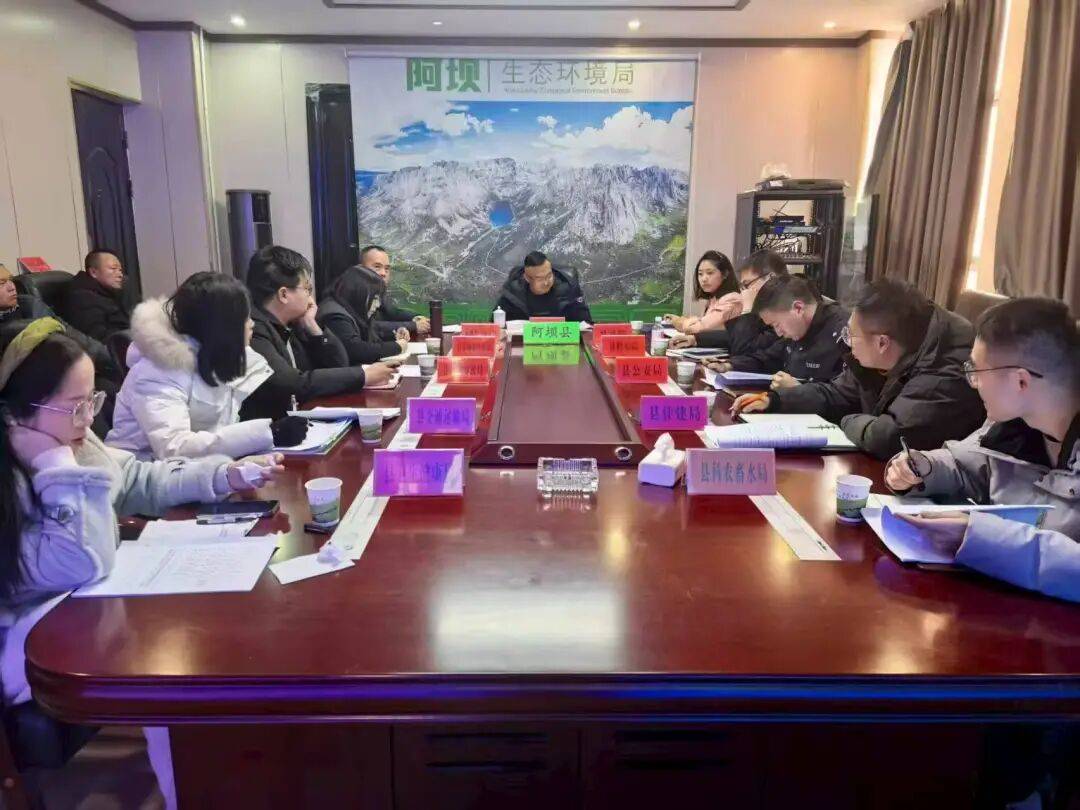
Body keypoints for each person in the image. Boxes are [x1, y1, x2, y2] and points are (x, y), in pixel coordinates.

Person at [0, 318, 283, 707]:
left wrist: (223, 475)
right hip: (38, 653)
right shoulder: (34, 465)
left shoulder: (65, 433)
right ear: (13, 412)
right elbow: (81, 561)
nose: (88, 419)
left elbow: (133, 479)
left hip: (95, 617)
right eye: (75, 407)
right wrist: (56, 467)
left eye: (92, 401)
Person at [882, 298, 1079, 602]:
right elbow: (967, 463)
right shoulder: (1014, 424)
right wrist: (923, 468)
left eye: (976, 370)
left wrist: (978, 538)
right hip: (1003, 602)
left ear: (1021, 381)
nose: (972, 383)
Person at [732, 278, 986, 459]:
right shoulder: (897, 341)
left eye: (851, 335)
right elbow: (838, 392)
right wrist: (776, 400)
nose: (847, 342)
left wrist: (846, 420)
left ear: (882, 343)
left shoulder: (945, 365)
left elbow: (887, 437)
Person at [106, 272, 309, 460]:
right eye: (244, 318)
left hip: (202, 473)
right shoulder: (156, 372)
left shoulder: (216, 355)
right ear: (220, 325)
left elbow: (220, 430)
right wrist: (266, 434)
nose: (251, 324)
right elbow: (174, 448)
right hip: (142, 476)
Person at [241, 245, 393, 421]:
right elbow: (293, 384)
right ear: (283, 295)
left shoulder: (295, 323)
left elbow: (339, 363)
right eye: (307, 289)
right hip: (274, 430)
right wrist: (363, 376)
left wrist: (312, 325)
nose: (310, 297)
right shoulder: (253, 330)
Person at [716, 274, 849, 390]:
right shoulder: (795, 330)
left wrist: (799, 390)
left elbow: (845, 395)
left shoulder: (844, 331)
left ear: (798, 308)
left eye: (776, 324)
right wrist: (729, 365)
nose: (778, 333)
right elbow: (767, 358)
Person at [671, 250, 788, 354]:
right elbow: (732, 335)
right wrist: (695, 339)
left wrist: (747, 309)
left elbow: (742, 348)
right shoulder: (764, 306)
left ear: (770, 278)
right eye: (700, 274)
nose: (744, 291)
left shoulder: (784, 310)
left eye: (747, 284)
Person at [317, 264, 410, 365]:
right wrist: (397, 347)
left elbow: (371, 331)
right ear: (358, 294)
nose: (378, 304)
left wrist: (394, 335)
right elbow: (357, 350)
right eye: (374, 298)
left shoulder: (350, 309)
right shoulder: (335, 316)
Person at [55, 249, 132, 342]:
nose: (120, 274)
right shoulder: (81, 298)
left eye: (120, 270)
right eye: (113, 268)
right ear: (94, 272)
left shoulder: (108, 291)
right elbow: (99, 339)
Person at [494, 251, 592, 322]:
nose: (546, 282)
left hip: (562, 341)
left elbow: (585, 323)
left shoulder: (568, 288)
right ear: (527, 278)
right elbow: (495, 326)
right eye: (540, 279)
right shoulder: (512, 294)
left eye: (549, 275)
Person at [357, 245, 430, 338]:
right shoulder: (354, 293)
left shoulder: (377, 292)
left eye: (386, 268)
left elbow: (393, 312)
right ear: (360, 269)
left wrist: (417, 318)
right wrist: (413, 326)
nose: (383, 273)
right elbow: (368, 327)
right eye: (377, 267)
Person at [664, 251, 741, 335]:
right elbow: (704, 322)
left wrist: (680, 322)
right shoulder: (713, 298)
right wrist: (686, 320)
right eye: (700, 274)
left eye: (710, 273)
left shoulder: (732, 299)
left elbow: (701, 328)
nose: (704, 279)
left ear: (725, 274)